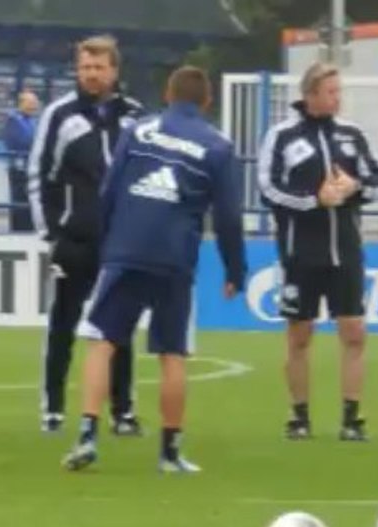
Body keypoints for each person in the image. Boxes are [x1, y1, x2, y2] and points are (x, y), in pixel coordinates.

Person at [62, 65, 245, 473]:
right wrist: (235, 268)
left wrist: (106, 246)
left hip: (126, 248)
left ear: (167, 94)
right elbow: (228, 216)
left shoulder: (138, 130)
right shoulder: (217, 145)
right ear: (207, 101)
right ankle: (170, 452)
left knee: (102, 341)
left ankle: (87, 436)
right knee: (172, 351)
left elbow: (109, 190)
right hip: (174, 256)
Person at [257, 62, 378, 442]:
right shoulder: (282, 136)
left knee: (354, 332)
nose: (337, 98)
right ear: (310, 94)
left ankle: (351, 418)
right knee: (299, 336)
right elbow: (268, 188)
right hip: (301, 254)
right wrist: (314, 199)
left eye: (338, 91)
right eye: (331, 92)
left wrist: (354, 187)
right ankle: (299, 417)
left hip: (346, 251)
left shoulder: (351, 134)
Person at [28, 35, 144, 435]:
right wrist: (51, 234)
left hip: (122, 242)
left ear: (114, 70)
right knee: (63, 323)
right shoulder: (59, 115)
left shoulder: (134, 116)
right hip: (75, 240)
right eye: (84, 67)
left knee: (120, 328)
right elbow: (39, 175)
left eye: (98, 67)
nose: (91, 74)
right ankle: (53, 408)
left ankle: (122, 411)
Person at [2, 89, 40, 232]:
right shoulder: (14, 120)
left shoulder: (32, 121)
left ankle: (29, 228)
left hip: (31, 167)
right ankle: (19, 230)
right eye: (30, 103)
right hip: (19, 168)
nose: (34, 106)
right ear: (21, 103)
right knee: (19, 200)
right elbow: (23, 141)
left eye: (35, 103)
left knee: (31, 201)